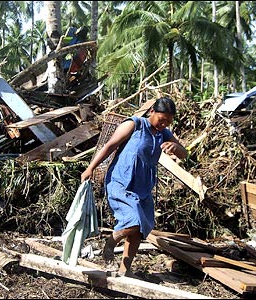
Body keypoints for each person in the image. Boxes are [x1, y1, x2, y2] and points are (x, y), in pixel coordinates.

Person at [81, 96, 188, 277]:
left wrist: (177, 148)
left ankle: (125, 270)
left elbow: (184, 154)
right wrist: (91, 168)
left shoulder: (164, 134)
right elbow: (110, 145)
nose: (164, 124)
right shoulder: (135, 124)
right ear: (152, 112)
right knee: (135, 221)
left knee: (141, 229)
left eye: (168, 122)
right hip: (121, 182)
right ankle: (112, 239)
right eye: (161, 119)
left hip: (144, 187)